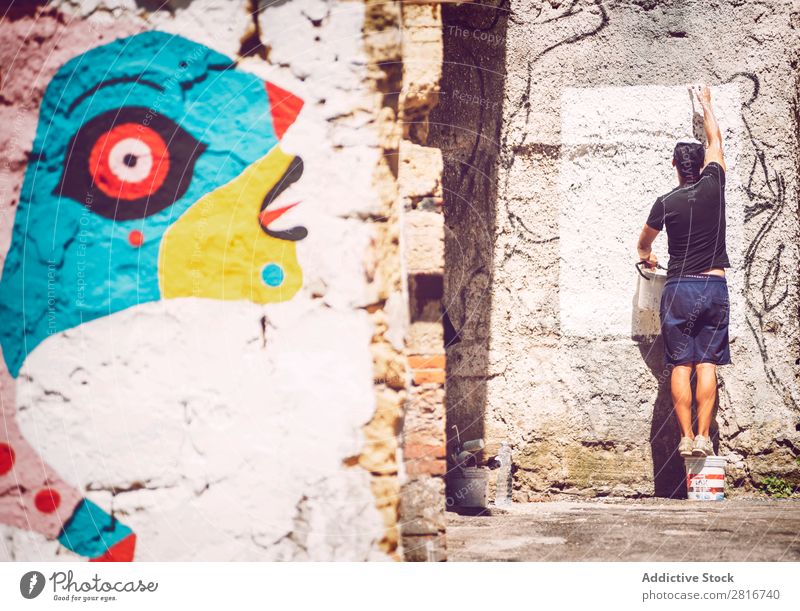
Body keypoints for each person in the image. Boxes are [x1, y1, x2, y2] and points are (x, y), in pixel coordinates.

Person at [636, 85, 731, 458]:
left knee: (679, 363)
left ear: (675, 167)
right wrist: (706, 105)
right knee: (706, 362)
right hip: (713, 286)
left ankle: (686, 437)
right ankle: (706, 437)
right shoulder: (715, 184)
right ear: (704, 165)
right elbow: (715, 140)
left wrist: (649, 257)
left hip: (678, 289)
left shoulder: (665, 202)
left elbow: (643, 244)